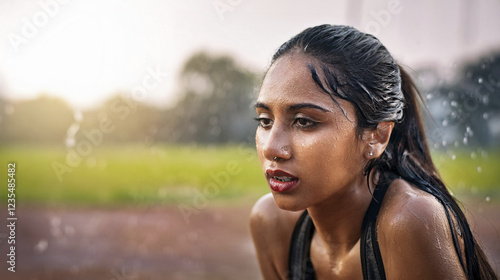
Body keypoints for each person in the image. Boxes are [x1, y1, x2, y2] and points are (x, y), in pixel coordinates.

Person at [249, 24, 497, 280]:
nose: (271, 147)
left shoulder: (410, 221)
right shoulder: (272, 223)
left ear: (377, 136)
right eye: (265, 121)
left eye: (304, 121)